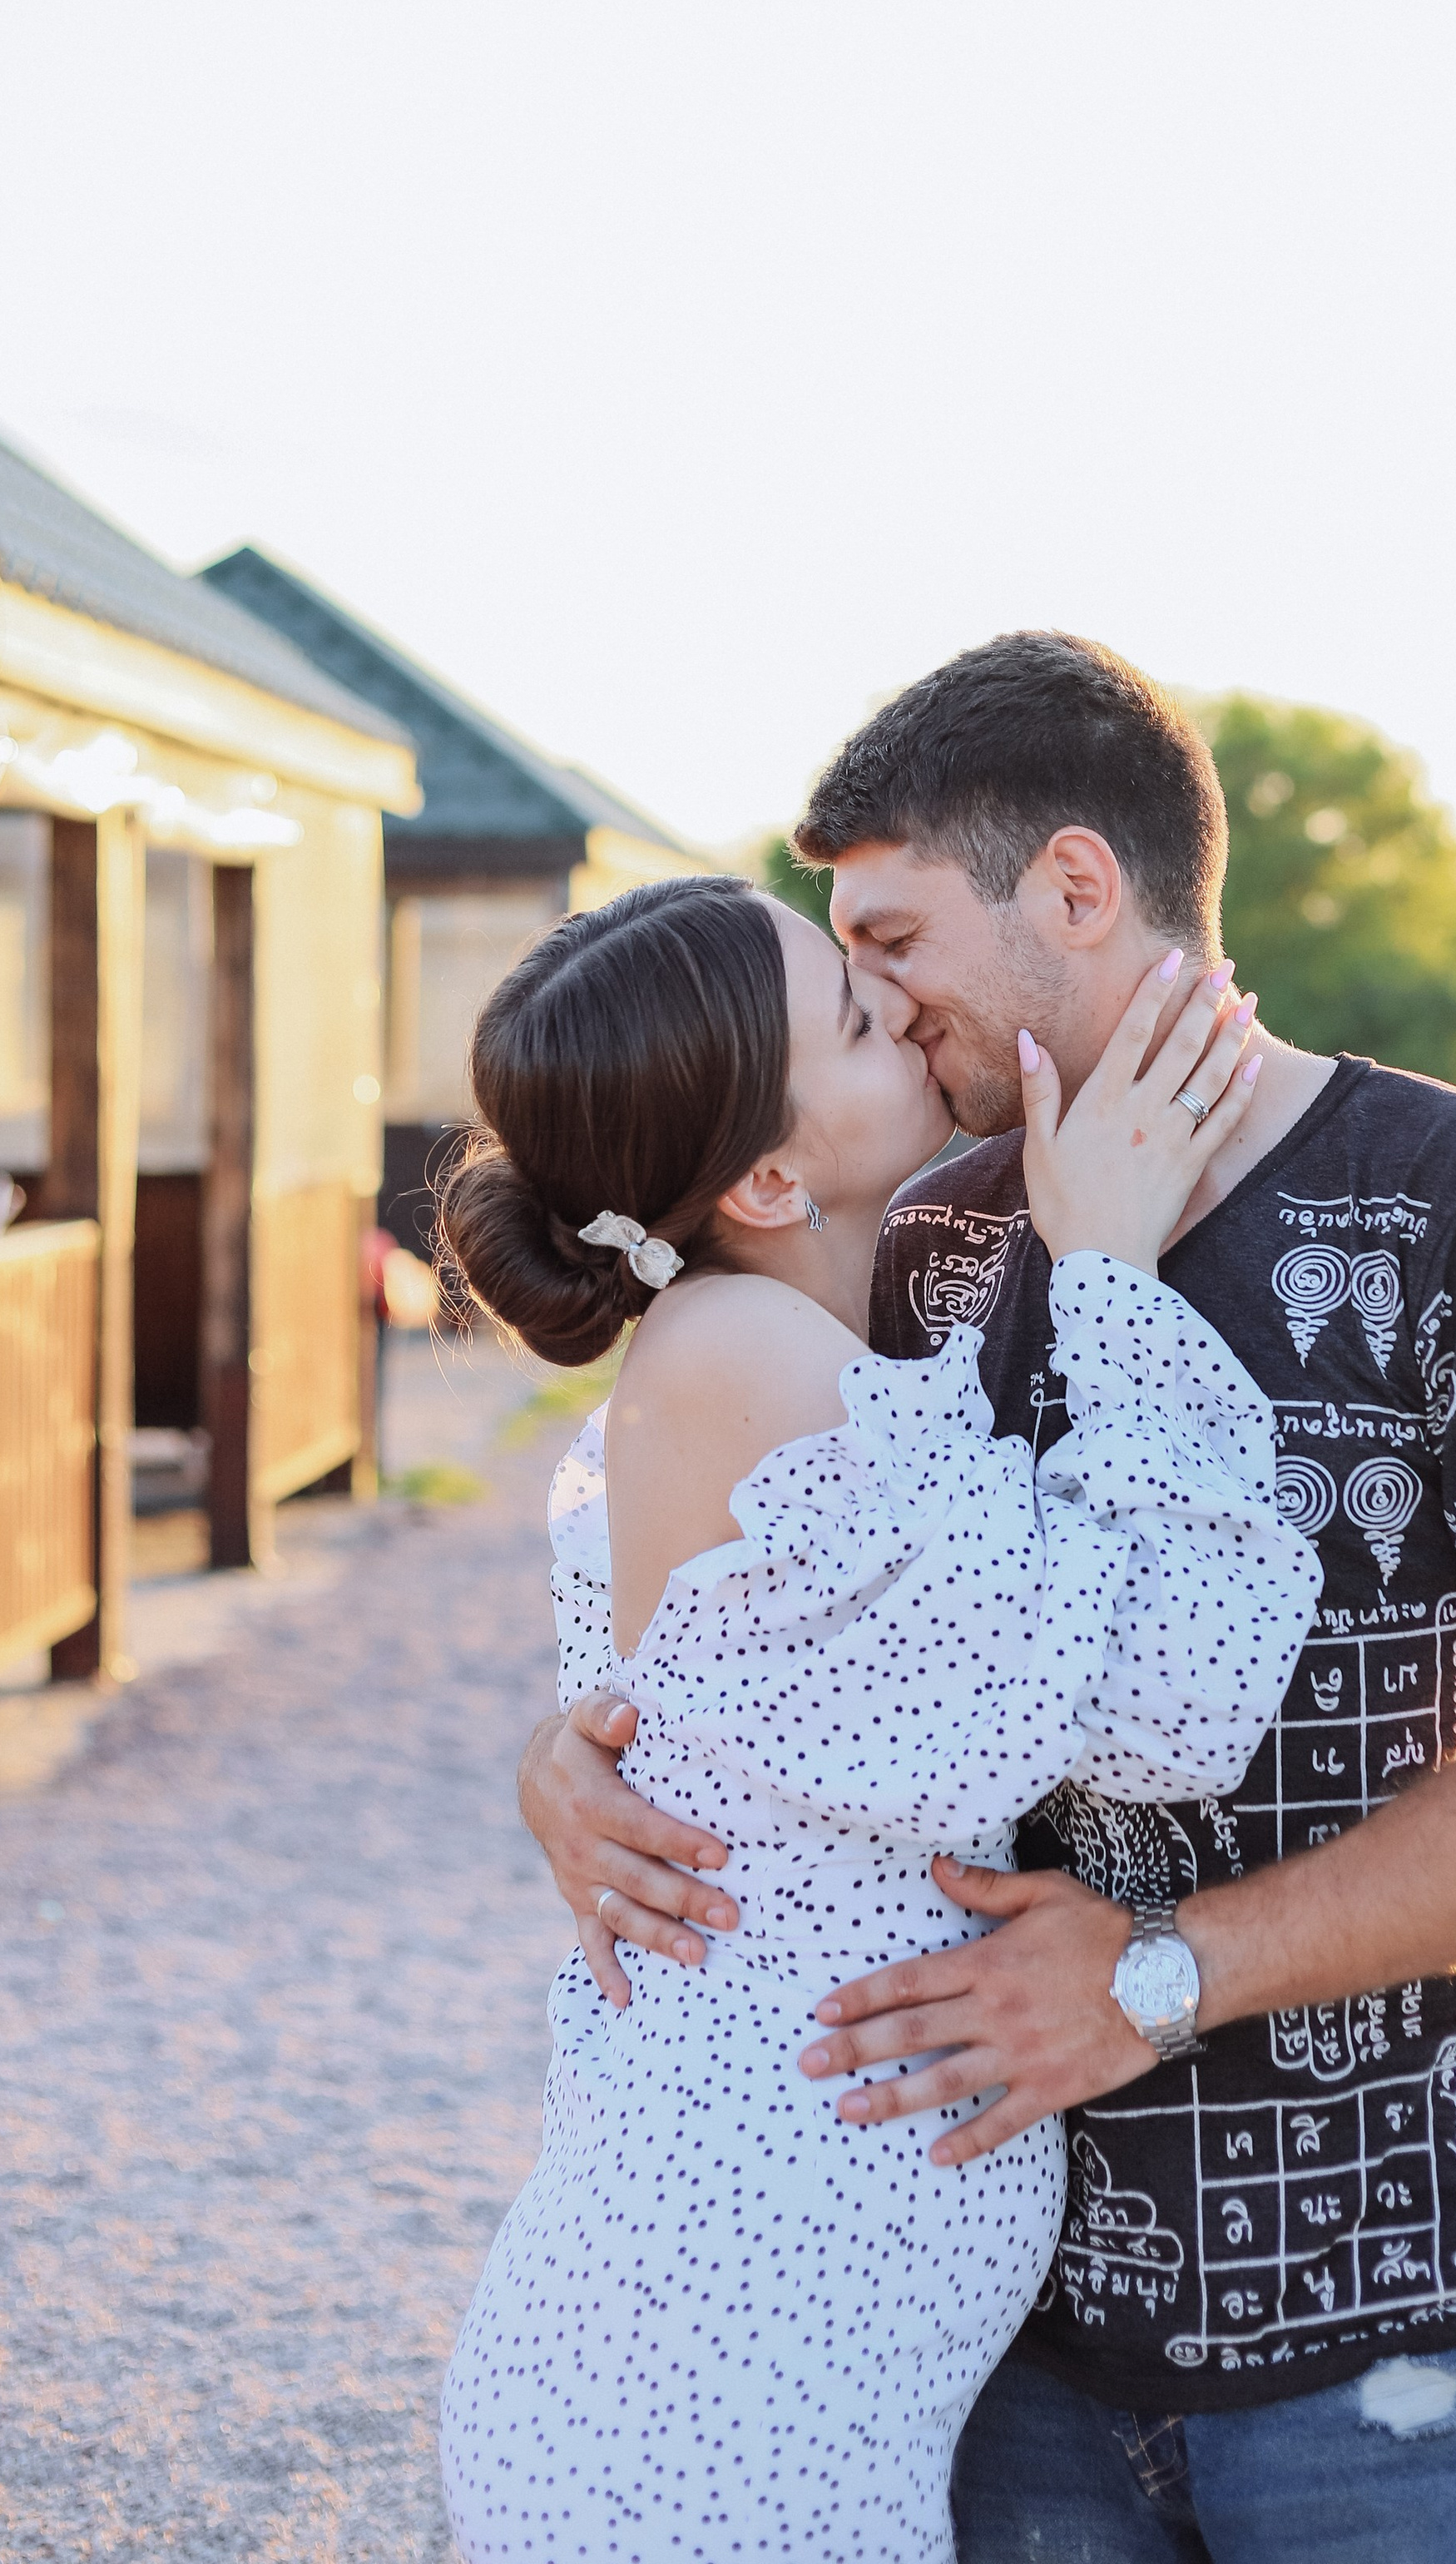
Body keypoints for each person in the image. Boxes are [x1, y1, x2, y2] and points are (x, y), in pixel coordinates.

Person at [522, 632, 1456, 2564]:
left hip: (1383, 2332)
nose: (872, 995)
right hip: (994, 2351)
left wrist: (1155, 1977)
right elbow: (763, 1621)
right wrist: (582, 1763)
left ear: (1075, 892)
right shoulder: (914, 1244)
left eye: (896, 940)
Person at [433, 870, 1325, 2564]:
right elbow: (1164, 1704)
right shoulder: (738, 1352)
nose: (891, 997)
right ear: (769, 1174)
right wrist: (1113, 1270)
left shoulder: (806, 1349)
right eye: (848, 1012)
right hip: (702, 2388)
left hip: (762, 2368)